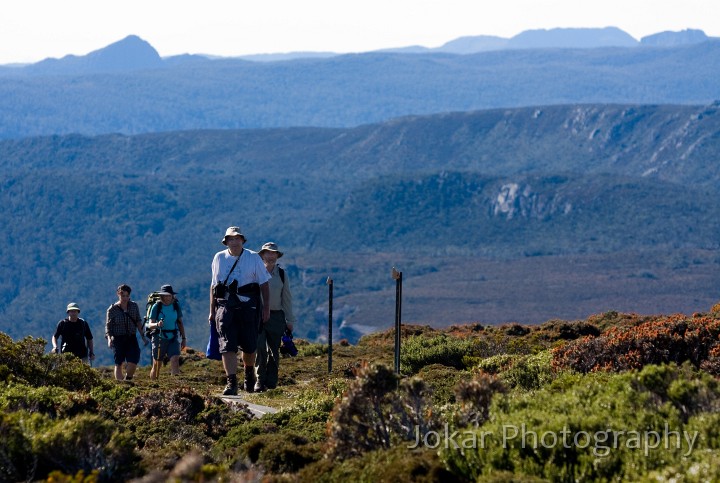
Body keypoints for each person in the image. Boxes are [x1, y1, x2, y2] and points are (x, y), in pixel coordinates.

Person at [210, 226, 271, 395]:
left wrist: (266, 307)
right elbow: (214, 286)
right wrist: (212, 310)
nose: (234, 242)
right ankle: (231, 383)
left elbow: (264, 284)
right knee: (227, 345)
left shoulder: (253, 258)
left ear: (242, 240)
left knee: (249, 346)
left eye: (237, 238)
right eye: (231, 239)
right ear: (226, 242)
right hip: (225, 307)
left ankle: (249, 374)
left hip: (248, 307)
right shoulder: (219, 258)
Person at [255, 242, 297, 391]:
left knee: (274, 350)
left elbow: (287, 298)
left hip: (276, 316)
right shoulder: (256, 273)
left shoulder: (282, 274)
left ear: (277, 256)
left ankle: (271, 382)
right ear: (262, 255)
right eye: (268, 253)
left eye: (273, 253)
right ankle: (259, 380)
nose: (271, 256)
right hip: (257, 316)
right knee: (259, 348)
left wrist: (290, 320)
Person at [106, 284, 148, 381]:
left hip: (131, 337)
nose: (125, 298)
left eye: (127, 296)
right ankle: (120, 384)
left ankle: (128, 379)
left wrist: (143, 336)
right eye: (122, 296)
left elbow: (138, 321)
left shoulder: (134, 306)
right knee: (119, 362)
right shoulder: (112, 309)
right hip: (117, 338)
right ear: (118, 294)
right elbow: (108, 327)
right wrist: (109, 339)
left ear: (129, 295)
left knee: (133, 359)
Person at [146, 284, 187, 379]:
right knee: (157, 364)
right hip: (159, 337)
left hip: (173, 336)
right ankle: (154, 385)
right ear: (162, 296)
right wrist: (157, 324)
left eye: (169, 295)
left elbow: (180, 322)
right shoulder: (157, 306)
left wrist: (184, 338)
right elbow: (150, 325)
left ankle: (175, 386)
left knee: (175, 359)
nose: (167, 297)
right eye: (165, 295)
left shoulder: (176, 305)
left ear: (172, 295)